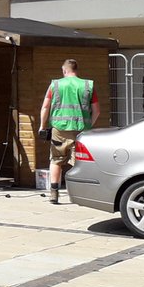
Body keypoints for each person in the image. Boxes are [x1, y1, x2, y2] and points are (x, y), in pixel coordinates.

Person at [38, 59, 100, 204]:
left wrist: (42, 125)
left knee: (56, 160)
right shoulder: (88, 85)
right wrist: (88, 125)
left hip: (59, 129)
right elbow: (97, 111)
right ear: (76, 70)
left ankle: (54, 194)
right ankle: (79, 194)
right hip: (81, 131)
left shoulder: (55, 85)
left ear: (64, 70)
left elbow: (45, 107)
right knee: (79, 162)